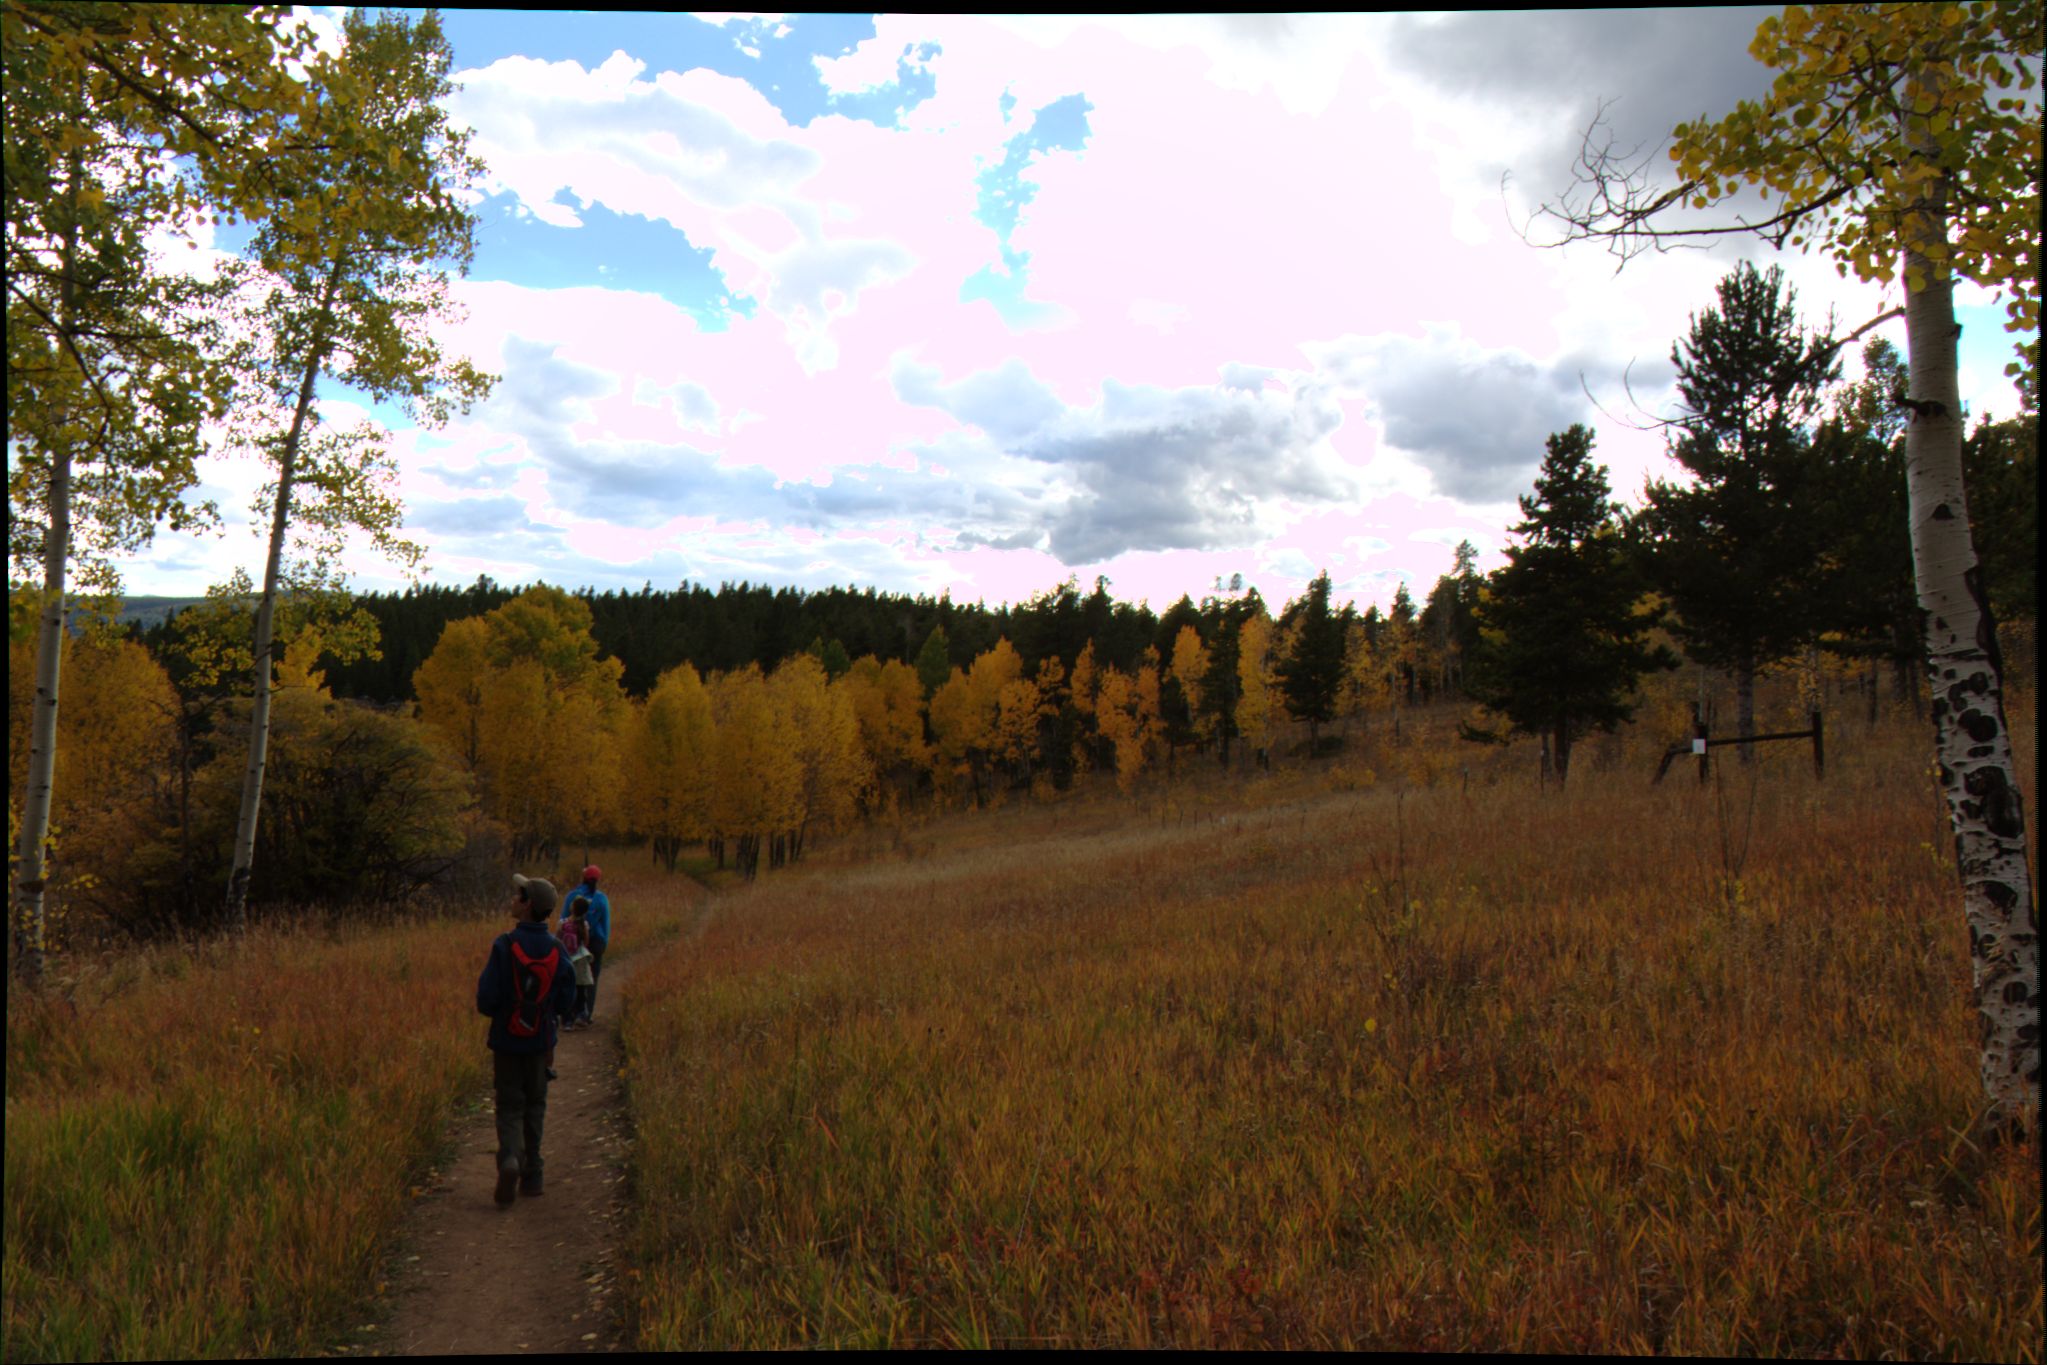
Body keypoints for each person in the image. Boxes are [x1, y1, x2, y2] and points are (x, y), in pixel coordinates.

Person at [475, 873, 577, 1205]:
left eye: (518, 895)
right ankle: (533, 1175)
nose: (513, 899)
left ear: (527, 904)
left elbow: (486, 1000)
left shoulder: (504, 945)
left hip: (506, 1042)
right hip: (540, 1044)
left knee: (509, 1105)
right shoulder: (557, 948)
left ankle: (509, 1159)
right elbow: (565, 1001)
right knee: (535, 1105)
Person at [563, 865, 611, 1019]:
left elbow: (563, 918)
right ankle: (586, 1013)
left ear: (583, 878)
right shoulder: (601, 898)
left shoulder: (572, 896)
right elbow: (606, 924)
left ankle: (570, 1012)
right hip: (596, 942)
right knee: (591, 977)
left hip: (573, 944)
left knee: (572, 976)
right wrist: (603, 943)